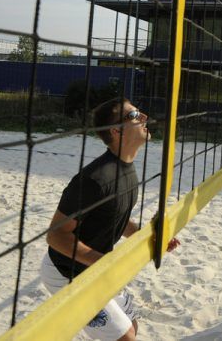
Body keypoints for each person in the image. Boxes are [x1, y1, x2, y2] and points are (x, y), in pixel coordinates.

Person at [40, 98, 180, 341]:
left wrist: (150, 237)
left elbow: (116, 219)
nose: (144, 117)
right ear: (117, 131)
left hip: (95, 268)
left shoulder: (127, 170)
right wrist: (103, 262)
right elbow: (55, 235)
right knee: (125, 337)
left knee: (132, 327)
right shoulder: (94, 179)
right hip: (66, 272)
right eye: (135, 114)